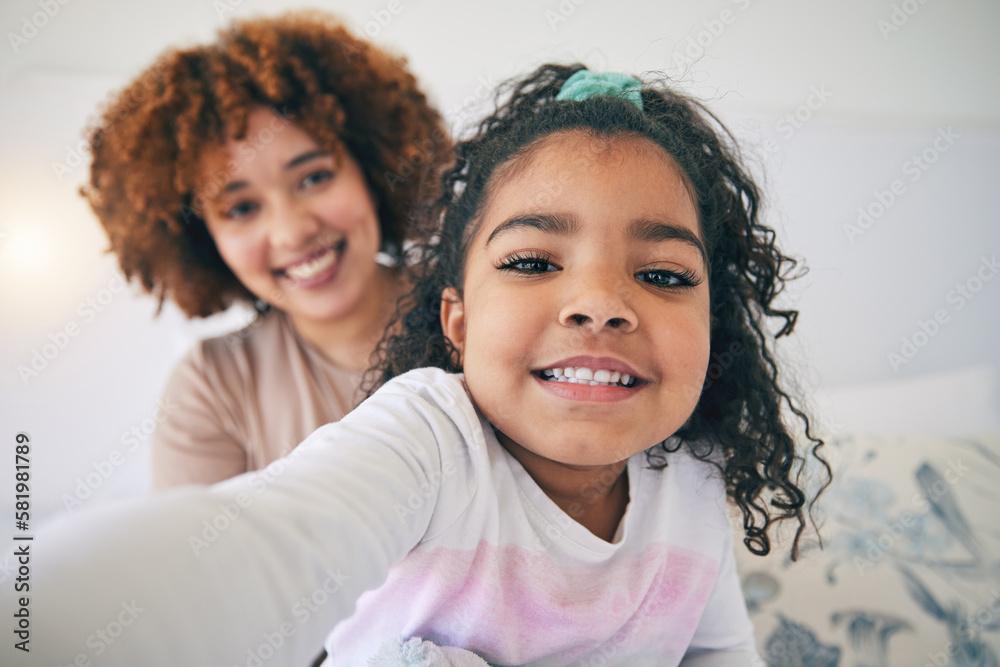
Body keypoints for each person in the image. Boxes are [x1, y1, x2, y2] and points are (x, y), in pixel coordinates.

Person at [25, 65, 829, 666]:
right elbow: (254, 547)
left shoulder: (691, 480)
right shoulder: (427, 433)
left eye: (662, 276)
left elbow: (719, 652)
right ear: (457, 319)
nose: (599, 302)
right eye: (531, 261)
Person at [81, 11, 451, 488]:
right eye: (240, 209)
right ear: (202, 240)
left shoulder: (484, 303)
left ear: (372, 171)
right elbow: (205, 560)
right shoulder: (213, 387)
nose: (291, 231)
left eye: (314, 177)